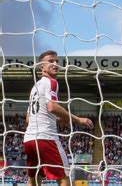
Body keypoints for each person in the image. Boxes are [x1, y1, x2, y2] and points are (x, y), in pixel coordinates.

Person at [23, 50, 94, 186]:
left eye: (57, 61)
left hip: (29, 139)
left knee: (34, 177)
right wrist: (79, 120)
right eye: (51, 61)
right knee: (64, 176)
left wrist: (55, 119)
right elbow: (52, 107)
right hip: (46, 137)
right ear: (41, 67)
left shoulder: (34, 87)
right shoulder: (51, 82)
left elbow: (28, 119)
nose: (55, 64)